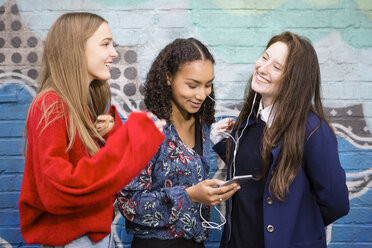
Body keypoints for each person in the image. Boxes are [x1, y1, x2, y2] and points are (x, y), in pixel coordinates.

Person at [19, 12, 165, 247]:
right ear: (76, 49)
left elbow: (98, 176)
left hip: (91, 237)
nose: (114, 53)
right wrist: (133, 138)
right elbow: (60, 188)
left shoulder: (77, 105)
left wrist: (109, 134)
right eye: (105, 44)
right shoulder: (52, 105)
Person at [212, 31, 349, 248]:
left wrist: (296, 225)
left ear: (294, 81)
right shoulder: (250, 119)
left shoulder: (313, 131)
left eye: (277, 67)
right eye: (265, 57)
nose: (263, 69)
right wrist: (220, 140)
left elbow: (337, 203)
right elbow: (252, 168)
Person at [117, 38, 240, 248]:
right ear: (168, 77)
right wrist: (189, 196)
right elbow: (128, 203)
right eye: (192, 85)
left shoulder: (201, 124)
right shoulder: (149, 129)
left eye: (208, 84)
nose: (202, 95)